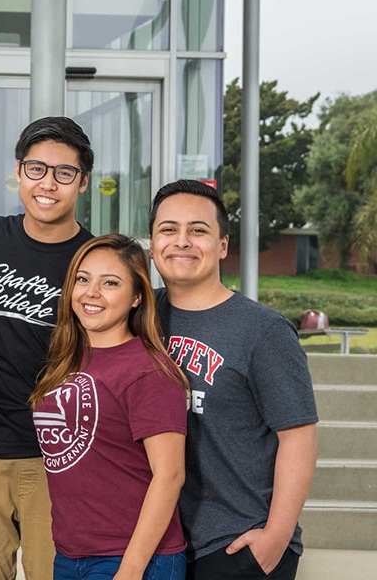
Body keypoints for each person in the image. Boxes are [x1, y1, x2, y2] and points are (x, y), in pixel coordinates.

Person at [149, 180, 318, 580]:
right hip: (159, 542)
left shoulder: (263, 331)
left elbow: (299, 438)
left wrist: (274, 538)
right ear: (153, 243)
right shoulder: (138, 317)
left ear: (223, 245)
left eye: (199, 230)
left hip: (236, 543)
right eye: (168, 230)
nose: (182, 241)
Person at [0, 116, 95, 580]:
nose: (47, 183)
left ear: (83, 182)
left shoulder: (96, 259)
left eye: (64, 173)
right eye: (36, 169)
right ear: (19, 171)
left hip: (63, 453)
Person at [30, 233, 188, 580]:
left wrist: (130, 571)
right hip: (71, 556)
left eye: (110, 283)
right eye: (83, 279)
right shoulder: (68, 360)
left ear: (136, 297)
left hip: (132, 559)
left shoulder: (148, 370)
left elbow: (170, 475)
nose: (91, 293)